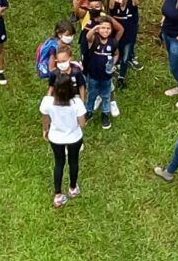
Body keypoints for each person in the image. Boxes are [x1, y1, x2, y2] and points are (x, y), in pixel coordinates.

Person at [41, 74, 88, 206]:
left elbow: (45, 119)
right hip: (74, 137)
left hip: (56, 138)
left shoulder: (47, 102)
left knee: (59, 163)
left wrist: (45, 130)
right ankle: (73, 188)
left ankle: (58, 195)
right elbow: (82, 123)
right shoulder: (77, 103)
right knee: (73, 162)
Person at [80, 13, 119, 128]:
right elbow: (88, 37)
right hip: (93, 76)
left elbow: (116, 54)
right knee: (91, 95)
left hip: (106, 77)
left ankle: (105, 114)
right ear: (98, 29)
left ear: (111, 30)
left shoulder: (113, 43)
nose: (105, 30)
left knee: (106, 96)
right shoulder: (94, 40)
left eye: (108, 28)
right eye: (102, 28)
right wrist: (95, 28)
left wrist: (113, 63)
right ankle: (89, 111)